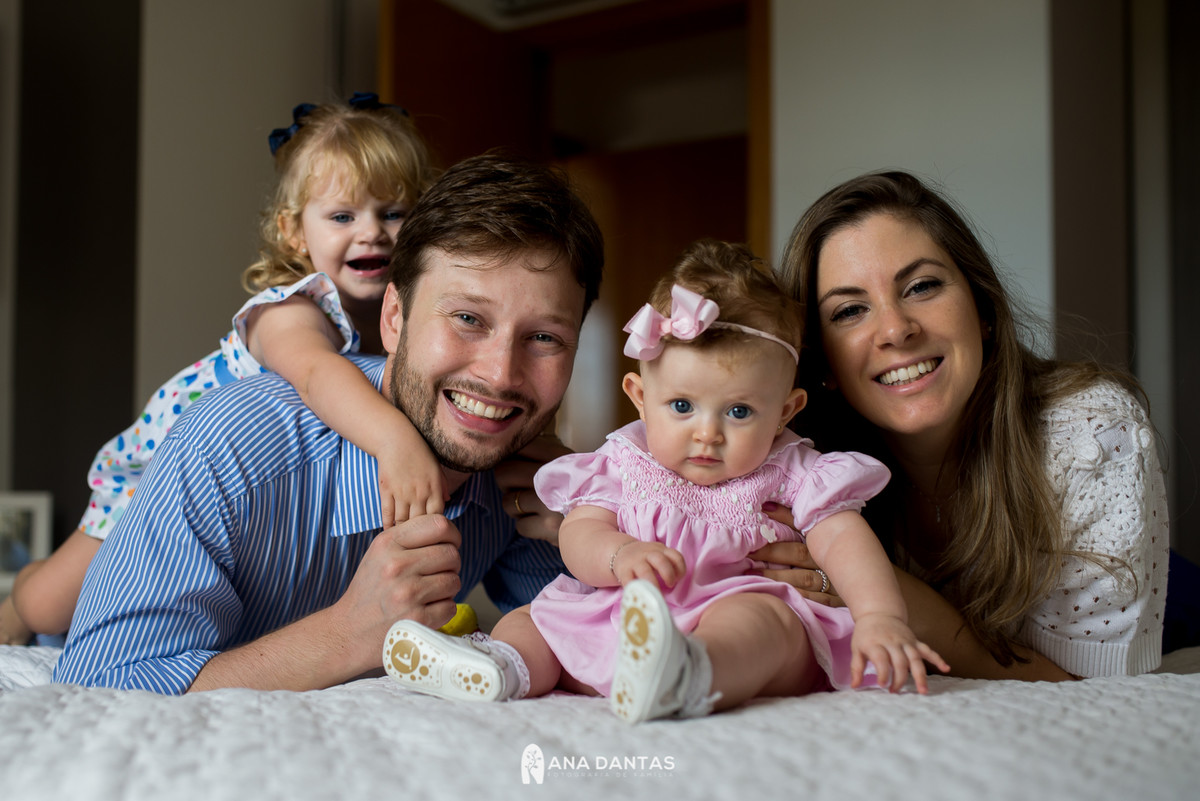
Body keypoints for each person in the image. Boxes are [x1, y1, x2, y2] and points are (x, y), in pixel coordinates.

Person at [51, 152, 605, 693]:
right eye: (466, 318)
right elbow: (99, 684)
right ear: (394, 317)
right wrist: (349, 633)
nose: (501, 375)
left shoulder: (524, 478)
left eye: (543, 339)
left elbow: (595, 659)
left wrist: (591, 541)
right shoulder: (230, 444)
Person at [382, 240, 948, 723]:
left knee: (764, 622)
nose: (708, 434)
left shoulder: (794, 470)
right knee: (538, 617)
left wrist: (879, 618)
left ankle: (689, 670)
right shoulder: (622, 461)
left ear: (786, 411)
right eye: (682, 405)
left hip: (731, 607)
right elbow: (580, 532)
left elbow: (843, 541)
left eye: (740, 413)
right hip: (621, 618)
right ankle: (499, 666)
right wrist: (617, 555)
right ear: (639, 398)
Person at [0, 94, 445, 648]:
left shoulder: (393, 320)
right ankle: (16, 602)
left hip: (239, 495)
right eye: (342, 216)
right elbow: (315, 375)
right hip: (162, 472)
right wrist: (395, 442)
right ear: (293, 233)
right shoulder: (292, 310)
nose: (371, 231)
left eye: (392, 212)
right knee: (51, 605)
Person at [762, 169, 1169, 680]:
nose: (895, 329)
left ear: (982, 310)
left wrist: (890, 593)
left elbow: (1093, 692)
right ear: (822, 367)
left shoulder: (1091, 434)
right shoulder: (797, 464)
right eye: (849, 311)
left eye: (922, 285)